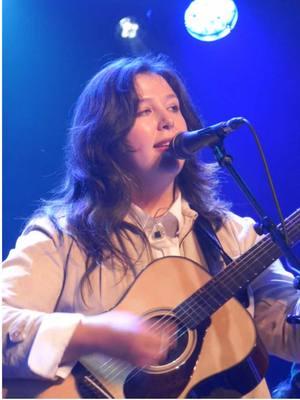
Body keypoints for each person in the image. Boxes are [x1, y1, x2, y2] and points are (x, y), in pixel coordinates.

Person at [2, 54, 300, 398]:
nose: (168, 122)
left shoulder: (235, 235)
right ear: (104, 137)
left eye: (174, 108)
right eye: (144, 111)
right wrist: (93, 334)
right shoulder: (60, 237)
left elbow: (288, 334)